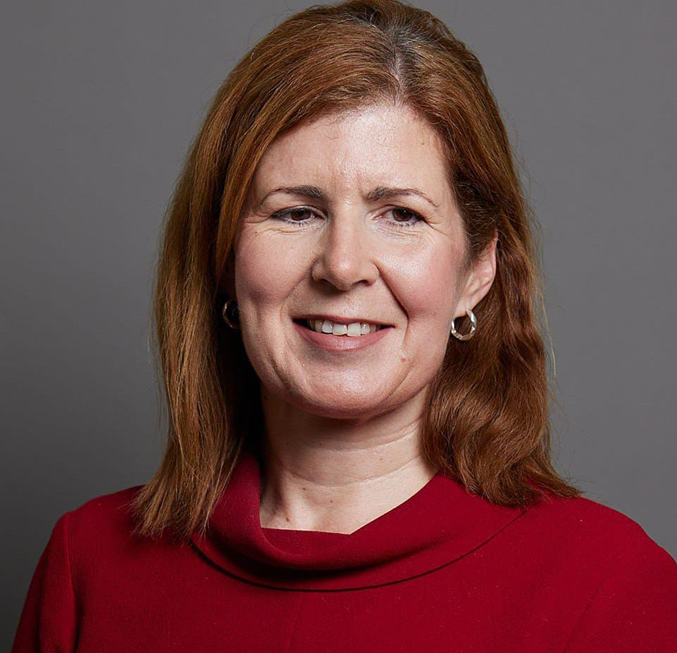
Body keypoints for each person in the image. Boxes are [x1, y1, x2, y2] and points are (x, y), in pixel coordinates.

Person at [12, 0, 676, 650]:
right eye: (295, 212)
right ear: (223, 257)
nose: (342, 265)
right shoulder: (89, 565)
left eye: (401, 214)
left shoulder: (609, 588)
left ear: (477, 269)